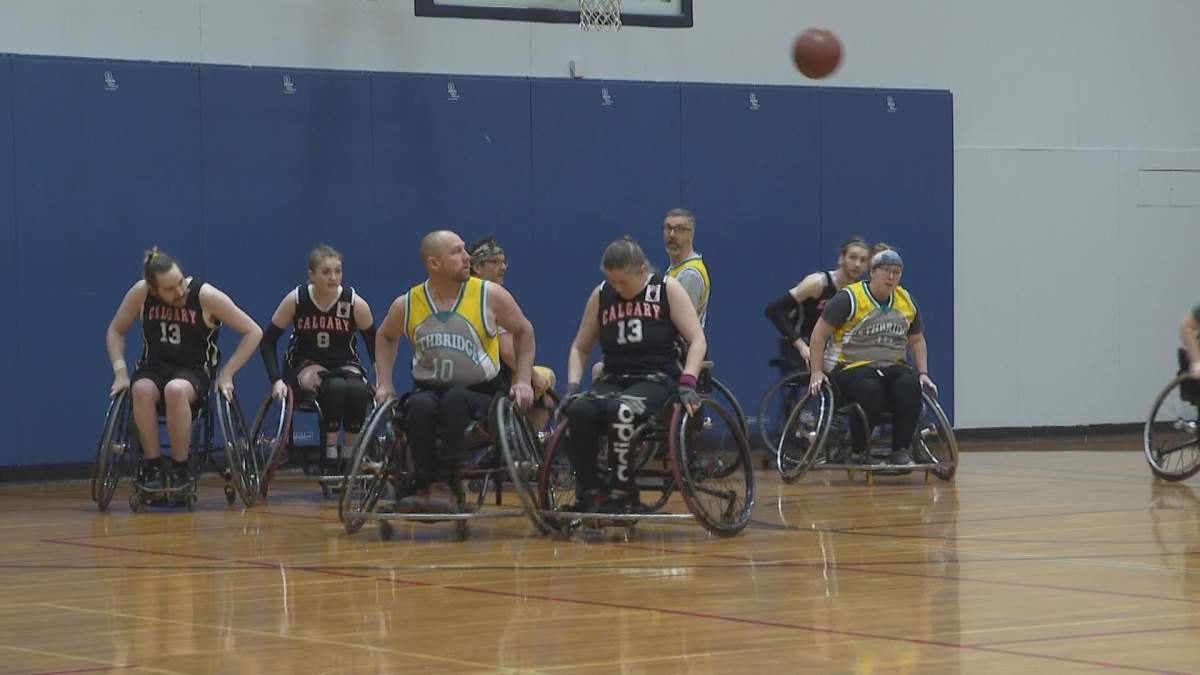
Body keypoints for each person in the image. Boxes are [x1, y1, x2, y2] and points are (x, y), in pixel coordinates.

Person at [374, 230, 536, 512]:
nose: (467, 257)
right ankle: (423, 485)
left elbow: (524, 331)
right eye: (457, 252)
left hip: (481, 394)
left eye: (465, 250)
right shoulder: (409, 302)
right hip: (429, 389)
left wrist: (523, 380)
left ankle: (447, 485)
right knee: (419, 405)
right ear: (434, 263)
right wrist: (384, 383)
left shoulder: (489, 295)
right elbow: (386, 336)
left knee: (455, 400)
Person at [561, 236, 707, 513]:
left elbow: (698, 340)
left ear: (642, 270)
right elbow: (580, 347)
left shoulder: (666, 289)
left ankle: (623, 491)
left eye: (623, 282)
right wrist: (571, 385)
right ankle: (589, 491)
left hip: (658, 379)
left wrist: (689, 381)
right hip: (614, 378)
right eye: (612, 281)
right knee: (578, 410)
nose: (617, 287)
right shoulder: (601, 295)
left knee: (621, 409)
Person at [106, 249, 263, 489]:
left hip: (194, 370)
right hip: (155, 367)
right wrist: (120, 372)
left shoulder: (205, 295)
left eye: (180, 282)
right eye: (169, 289)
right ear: (153, 287)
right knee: (141, 389)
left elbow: (253, 331)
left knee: (175, 390)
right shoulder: (141, 293)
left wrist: (227, 373)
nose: (179, 291)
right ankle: (153, 466)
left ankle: (181, 468)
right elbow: (115, 330)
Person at [807, 249, 936, 466]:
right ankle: (858, 449)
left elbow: (916, 340)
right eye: (886, 271)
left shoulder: (906, 301)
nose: (891, 277)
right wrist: (816, 372)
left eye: (896, 272)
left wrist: (923, 373)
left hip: (891, 366)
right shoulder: (849, 298)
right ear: (873, 272)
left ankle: (900, 451)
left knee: (910, 384)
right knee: (871, 388)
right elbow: (819, 335)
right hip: (848, 366)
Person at [259, 244, 376, 473]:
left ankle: (350, 453)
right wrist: (276, 379)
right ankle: (330, 452)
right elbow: (267, 341)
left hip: (345, 362)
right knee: (334, 387)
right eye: (326, 272)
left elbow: (375, 342)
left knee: (357, 390)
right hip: (307, 363)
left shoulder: (354, 302)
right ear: (311, 275)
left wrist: (381, 378)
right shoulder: (297, 299)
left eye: (338, 271)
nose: (333, 277)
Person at [468, 236, 556, 427]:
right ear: (477, 267)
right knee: (546, 377)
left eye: (504, 261)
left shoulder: (458, 293)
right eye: (495, 262)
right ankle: (534, 445)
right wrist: (533, 377)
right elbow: (508, 352)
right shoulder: (491, 296)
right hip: (490, 381)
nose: (503, 267)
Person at [763, 236, 870, 370]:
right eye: (853, 257)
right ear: (841, 259)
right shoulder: (818, 283)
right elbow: (774, 310)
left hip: (832, 350)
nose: (857, 264)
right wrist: (801, 346)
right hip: (801, 345)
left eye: (863, 260)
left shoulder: (858, 293)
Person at [662, 208, 709, 327]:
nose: (672, 234)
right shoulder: (677, 268)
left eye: (679, 229)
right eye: (668, 228)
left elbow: (678, 324)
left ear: (691, 235)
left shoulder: (689, 274)